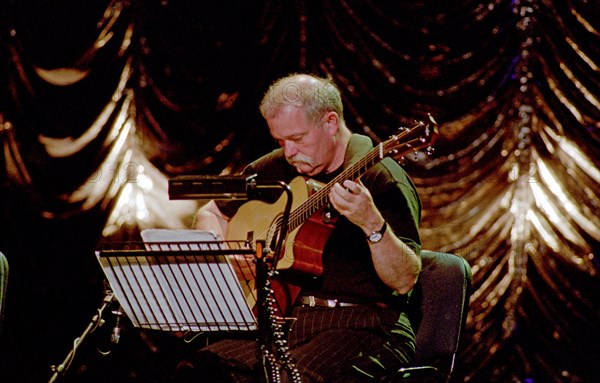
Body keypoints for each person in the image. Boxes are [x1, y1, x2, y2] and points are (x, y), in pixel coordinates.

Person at [175, 73, 422, 383]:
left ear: (330, 123)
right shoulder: (276, 168)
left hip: (366, 324)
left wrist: (372, 224)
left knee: (291, 378)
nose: (289, 152)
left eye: (297, 138)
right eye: (281, 141)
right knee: (199, 370)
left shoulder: (381, 178)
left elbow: (404, 280)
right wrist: (224, 255)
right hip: (286, 323)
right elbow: (210, 211)